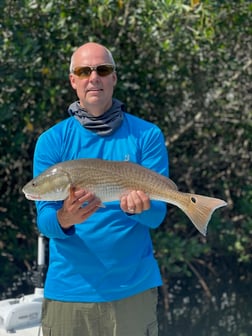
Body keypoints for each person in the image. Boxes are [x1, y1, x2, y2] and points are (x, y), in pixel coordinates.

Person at [34, 42, 169, 336]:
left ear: (114, 78)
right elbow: (45, 220)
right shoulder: (51, 141)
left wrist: (138, 210)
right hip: (69, 293)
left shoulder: (147, 135)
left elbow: (157, 216)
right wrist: (65, 218)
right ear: (73, 81)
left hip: (132, 291)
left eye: (102, 70)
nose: (93, 77)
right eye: (84, 71)